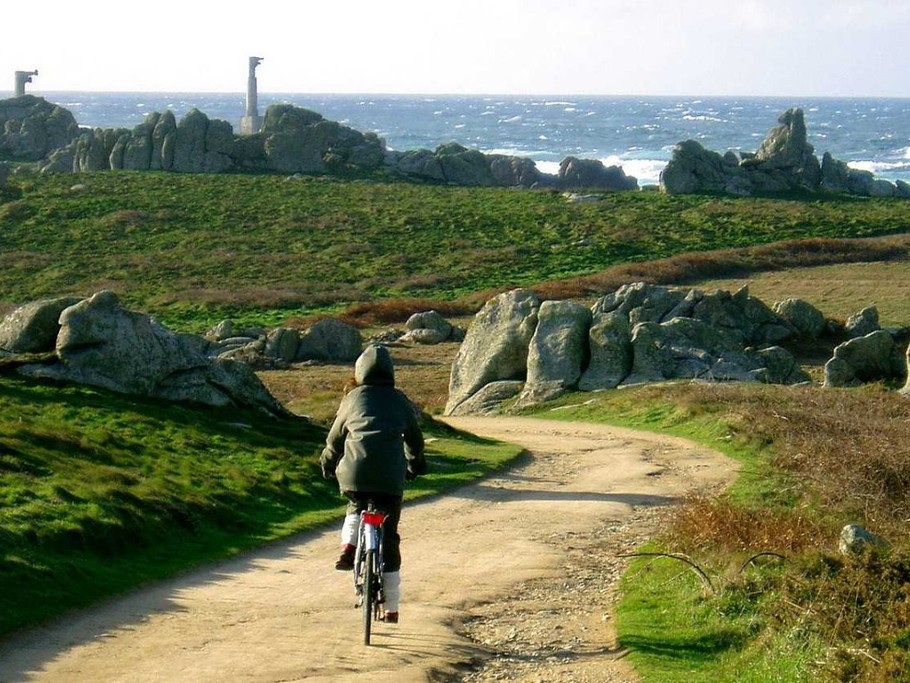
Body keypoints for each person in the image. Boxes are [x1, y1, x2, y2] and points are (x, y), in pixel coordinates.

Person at [320, 344, 426, 624]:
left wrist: (328, 466)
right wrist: (416, 465)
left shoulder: (352, 399)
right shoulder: (399, 400)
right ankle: (391, 608)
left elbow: (334, 441)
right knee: (388, 537)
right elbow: (415, 440)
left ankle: (348, 547)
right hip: (390, 478)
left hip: (355, 474)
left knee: (355, 507)